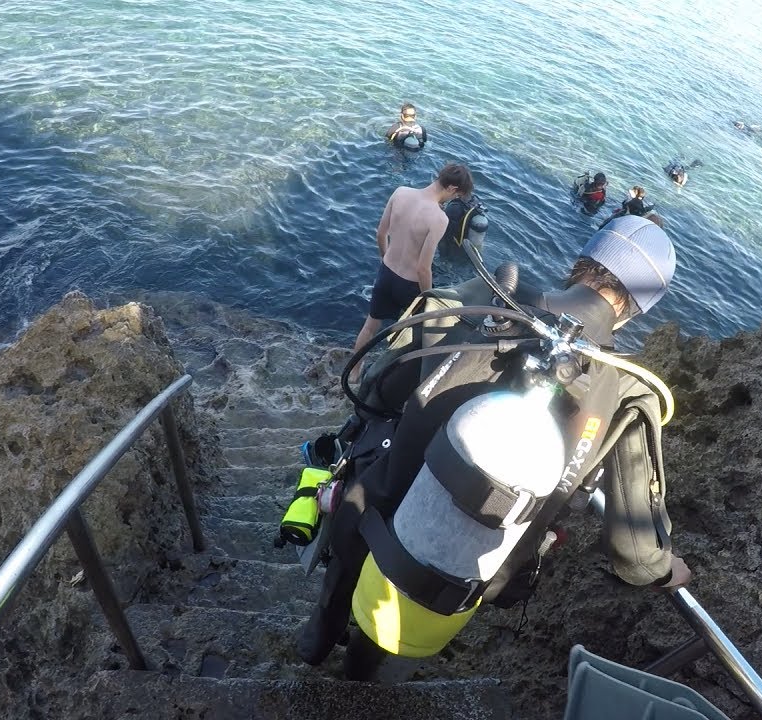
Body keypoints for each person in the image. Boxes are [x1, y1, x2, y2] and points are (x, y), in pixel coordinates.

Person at [296, 215, 691, 675]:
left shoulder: (494, 294)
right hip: (450, 565)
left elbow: (381, 386)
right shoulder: (628, 391)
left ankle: (314, 645)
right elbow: (634, 551)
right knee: (386, 635)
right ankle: (353, 681)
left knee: (343, 577)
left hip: (372, 506)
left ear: (584, 261)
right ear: (639, 307)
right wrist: (664, 570)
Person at [350, 163, 473, 382]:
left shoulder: (400, 193)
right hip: (409, 285)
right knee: (405, 336)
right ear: (453, 189)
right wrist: (429, 299)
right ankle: (383, 378)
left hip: (386, 272)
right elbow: (423, 268)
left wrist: (385, 259)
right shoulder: (439, 218)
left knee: (370, 326)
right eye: (457, 196)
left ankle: (353, 372)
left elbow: (380, 233)